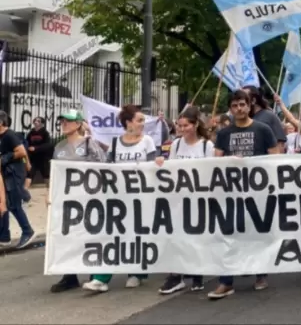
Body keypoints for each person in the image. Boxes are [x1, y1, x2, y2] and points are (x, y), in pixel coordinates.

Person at [82, 104, 161, 293]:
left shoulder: (147, 141)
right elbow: (108, 168)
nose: (143, 123)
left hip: (141, 196)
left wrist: (157, 163)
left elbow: (152, 167)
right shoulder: (116, 143)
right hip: (118, 197)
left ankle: (136, 272)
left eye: (143, 120)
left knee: (137, 235)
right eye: (139, 120)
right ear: (128, 123)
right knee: (113, 235)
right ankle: (101, 278)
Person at [208, 90, 278, 300]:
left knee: (257, 232)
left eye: (242, 104)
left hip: (256, 192)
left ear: (249, 106)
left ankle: (260, 273)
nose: (239, 109)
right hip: (231, 192)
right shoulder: (223, 133)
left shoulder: (263, 129)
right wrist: (230, 160)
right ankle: (226, 281)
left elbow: (274, 157)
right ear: (230, 109)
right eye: (235, 106)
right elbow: (216, 161)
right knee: (228, 234)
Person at [158, 106, 214, 295]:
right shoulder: (176, 144)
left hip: (199, 199)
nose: (182, 129)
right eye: (179, 126)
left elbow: (212, 171)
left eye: (185, 125)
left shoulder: (207, 146)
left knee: (196, 236)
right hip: (180, 198)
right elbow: (172, 167)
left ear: (195, 125)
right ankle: (177, 275)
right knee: (178, 236)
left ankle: (197, 274)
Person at [49, 110, 106, 293]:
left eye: (69, 121)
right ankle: (69, 275)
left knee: (89, 234)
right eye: (63, 120)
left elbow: (103, 168)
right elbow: (55, 173)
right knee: (68, 235)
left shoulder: (90, 144)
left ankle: (93, 272)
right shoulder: (59, 147)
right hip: (67, 200)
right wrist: (50, 194)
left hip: (88, 198)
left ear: (79, 124)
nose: (65, 123)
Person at [0, 110, 34, 249]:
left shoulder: (9, 135)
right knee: (4, 204)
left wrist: (4, 158)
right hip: (8, 174)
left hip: (14, 173)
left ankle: (28, 231)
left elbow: (22, 152)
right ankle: (4, 236)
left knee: (14, 205)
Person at [243, 86, 286, 152]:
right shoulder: (242, 120)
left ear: (253, 100)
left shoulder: (269, 117)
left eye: (244, 98)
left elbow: (280, 145)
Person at [26, 116, 53, 188]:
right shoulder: (31, 132)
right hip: (33, 158)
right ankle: (24, 193)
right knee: (29, 174)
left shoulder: (45, 133)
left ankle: (49, 191)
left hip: (43, 158)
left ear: (42, 123)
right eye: (35, 120)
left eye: (38, 121)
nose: (36, 122)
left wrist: (36, 148)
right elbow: (27, 142)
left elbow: (48, 145)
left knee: (46, 176)